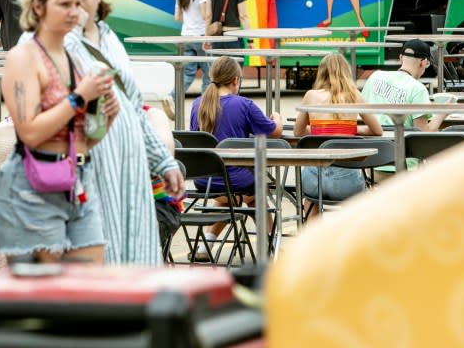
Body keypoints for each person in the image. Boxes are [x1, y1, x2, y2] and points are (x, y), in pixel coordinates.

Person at [57, 0, 184, 265]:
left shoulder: (110, 37)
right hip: (91, 166)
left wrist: (164, 163)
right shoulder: (58, 43)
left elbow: (135, 111)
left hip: (131, 166)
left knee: (137, 253)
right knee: (104, 255)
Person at [0, 0, 118, 265]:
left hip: (76, 179)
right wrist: (79, 98)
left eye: (77, 3)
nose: (75, 11)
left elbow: (83, 139)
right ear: (38, 6)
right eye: (64, 4)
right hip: (33, 187)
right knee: (47, 297)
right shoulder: (24, 56)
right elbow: (30, 132)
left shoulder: (72, 57)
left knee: (89, 282)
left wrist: (105, 119)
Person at [189, 56, 282, 260]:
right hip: (234, 181)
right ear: (235, 81)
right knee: (257, 191)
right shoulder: (243, 105)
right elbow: (275, 131)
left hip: (204, 182)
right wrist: (277, 116)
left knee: (229, 192)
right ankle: (271, 243)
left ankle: (206, 245)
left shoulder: (197, 105)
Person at [294, 53, 383, 207]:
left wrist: (320, 129)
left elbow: (298, 132)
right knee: (364, 198)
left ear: (321, 73)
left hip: (313, 179)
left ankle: (312, 230)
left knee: (311, 202)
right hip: (346, 179)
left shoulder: (311, 96)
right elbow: (377, 130)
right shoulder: (354, 95)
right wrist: (351, 129)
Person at [360, 39, 446, 131]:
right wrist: (444, 111)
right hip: (399, 142)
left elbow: (361, 110)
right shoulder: (418, 89)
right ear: (423, 62)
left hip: (370, 140)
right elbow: (423, 133)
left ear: (401, 58)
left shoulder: (375, 76)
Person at [174, 0, 212, 96]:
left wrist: (189, 20)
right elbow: (205, 16)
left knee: (187, 73)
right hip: (200, 36)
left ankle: (172, 97)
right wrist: (207, 37)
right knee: (209, 73)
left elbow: (177, 17)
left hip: (185, 37)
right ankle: (204, 105)